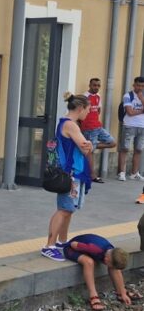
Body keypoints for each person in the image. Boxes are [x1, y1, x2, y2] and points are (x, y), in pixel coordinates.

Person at [41, 93, 93, 262]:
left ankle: (62, 241)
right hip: (70, 174)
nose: (88, 113)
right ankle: (49, 245)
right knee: (64, 209)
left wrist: (89, 145)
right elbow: (85, 149)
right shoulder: (71, 125)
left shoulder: (66, 122)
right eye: (88, 109)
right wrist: (90, 145)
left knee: (69, 210)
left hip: (72, 173)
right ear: (80, 108)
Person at [60, 234, 134, 311]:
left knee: (113, 268)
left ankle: (121, 292)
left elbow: (115, 268)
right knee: (89, 262)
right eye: (109, 264)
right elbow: (73, 244)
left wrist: (123, 293)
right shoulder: (95, 249)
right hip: (71, 248)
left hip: (91, 249)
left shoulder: (112, 252)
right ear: (106, 259)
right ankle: (93, 295)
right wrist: (84, 250)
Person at [81, 78, 116, 183]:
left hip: (98, 126)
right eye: (94, 85)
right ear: (89, 85)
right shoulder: (84, 97)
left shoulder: (98, 96)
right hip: (89, 128)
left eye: (98, 85)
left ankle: (93, 145)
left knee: (112, 143)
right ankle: (93, 175)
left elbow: (98, 110)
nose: (96, 87)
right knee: (90, 153)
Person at [118, 76, 144, 182]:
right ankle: (121, 173)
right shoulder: (128, 96)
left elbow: (134, 111)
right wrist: (142, 111)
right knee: (125, 148)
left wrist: (142, 99)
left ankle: (134, 173)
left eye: (142, 86)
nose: (140, 88)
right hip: (129, 125)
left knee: (138, 149)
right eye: (138, 85)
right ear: (134, 85)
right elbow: (130, 112)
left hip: (142, 126)